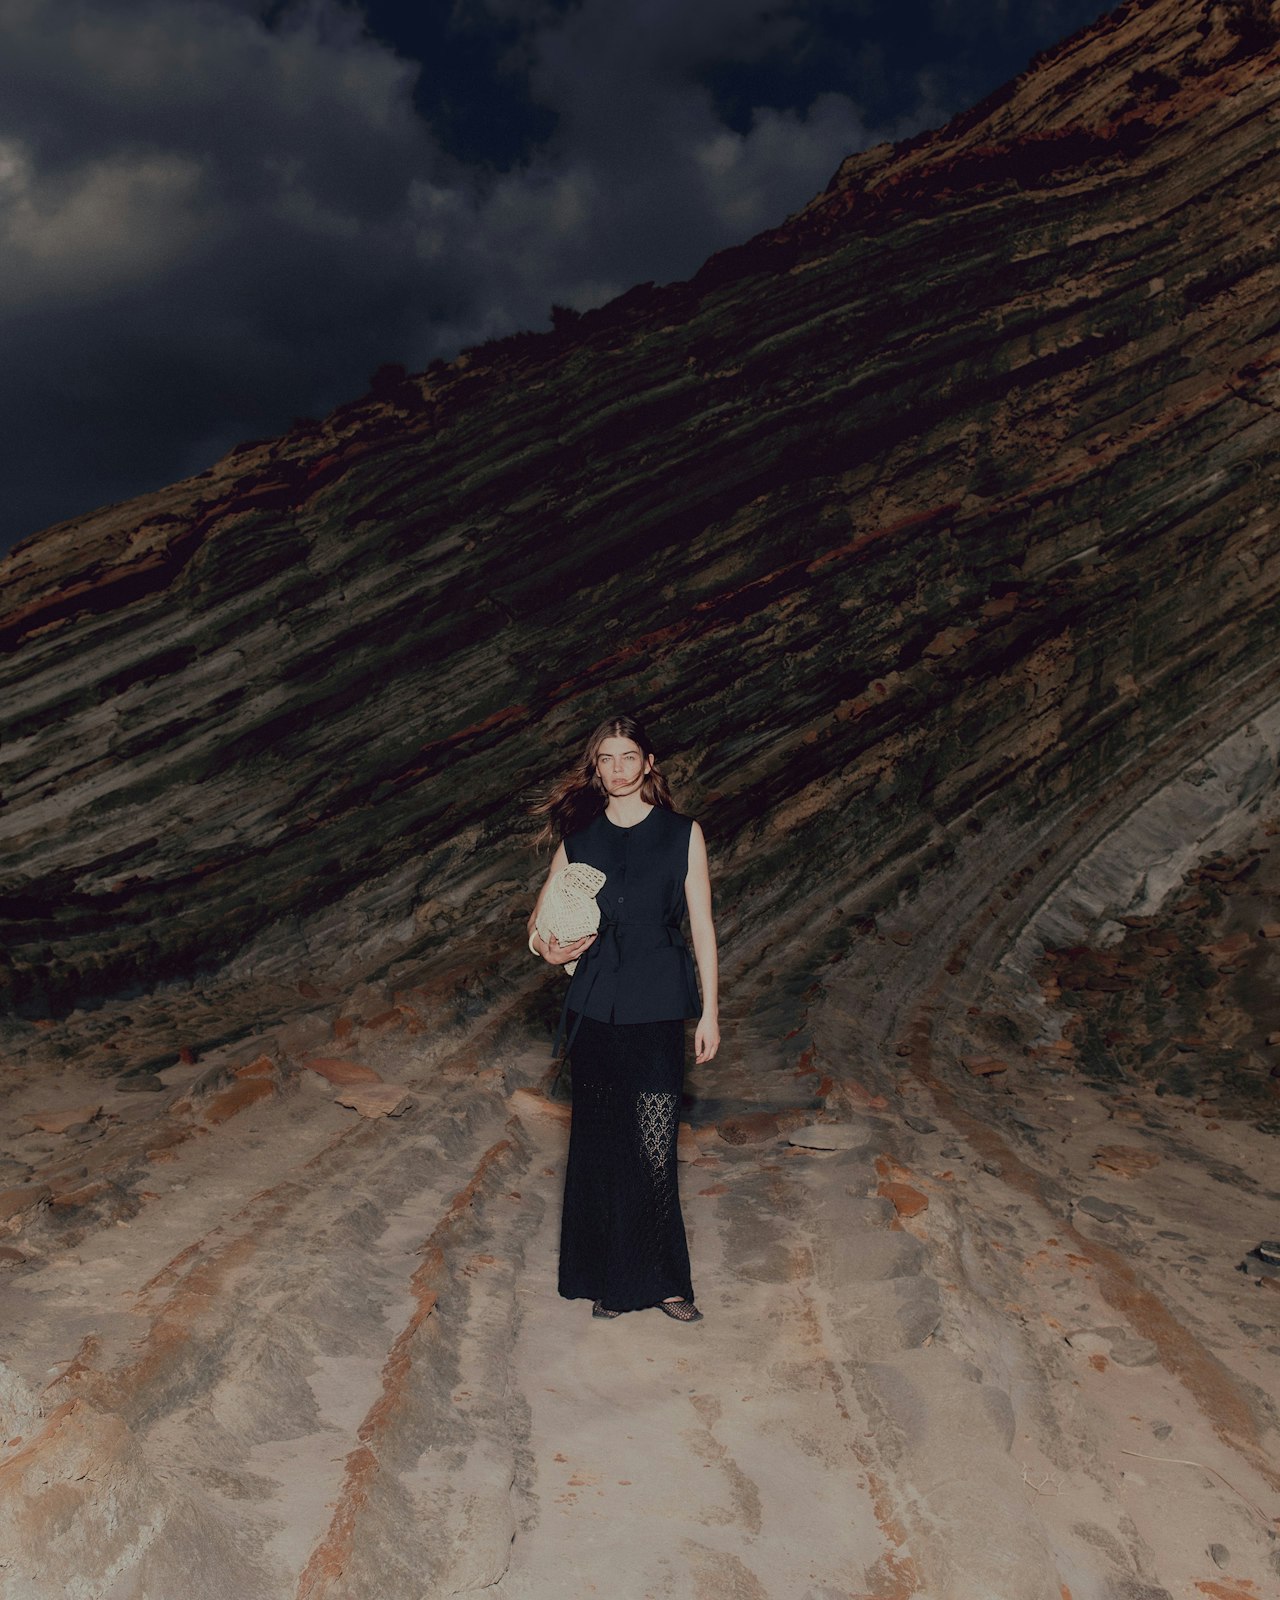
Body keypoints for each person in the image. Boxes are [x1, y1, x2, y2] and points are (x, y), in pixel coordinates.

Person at [529, 713, 719, 1323]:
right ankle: (610, 1279)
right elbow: (541, 923)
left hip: (658, 999)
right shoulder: (580, 837)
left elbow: (703, 928)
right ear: (597, 766)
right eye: (606, 758)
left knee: (656, 1145)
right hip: (595, 1002)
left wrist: (710, 1011)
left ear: (648, 763)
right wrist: (546, 948)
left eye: (628, 756)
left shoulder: (682, 833)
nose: (617, 768)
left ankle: (663, 1281)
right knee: (602, 1143)